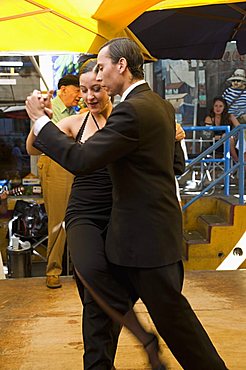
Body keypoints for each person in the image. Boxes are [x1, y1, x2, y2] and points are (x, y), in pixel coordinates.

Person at [26, 38, 228, 369]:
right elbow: (170, 165)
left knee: (175, 322)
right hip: (132, 233)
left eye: (103, 69)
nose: (99, 80)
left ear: (121, 66)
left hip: (145, 238)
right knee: (100, 306)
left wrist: (39, 120)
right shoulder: (159, 106)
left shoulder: (133, 111)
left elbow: (82, 159)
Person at [37, 74, 82, 289]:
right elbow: (48, 140)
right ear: (63, 89)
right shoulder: (49, 110)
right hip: (54, 164)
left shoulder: (73, 112)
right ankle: (53, 271)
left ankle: (79, 270)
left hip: (74, 164)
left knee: (78, 217)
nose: (80, 95)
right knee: (58, 219)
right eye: (77, 90)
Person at [204, 96, 240, 161]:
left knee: (229, 138)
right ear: (213, 107)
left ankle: (238, 163)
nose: (218, 108)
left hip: (231, 141)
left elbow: (239, 128)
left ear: (224, 107)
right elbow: (207, 135)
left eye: (220, 106)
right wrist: (221, 137)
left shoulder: (230, 116)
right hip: (214, 144)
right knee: (227, 137)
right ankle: (237, 161)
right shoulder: (209, 118)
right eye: (216, 106)